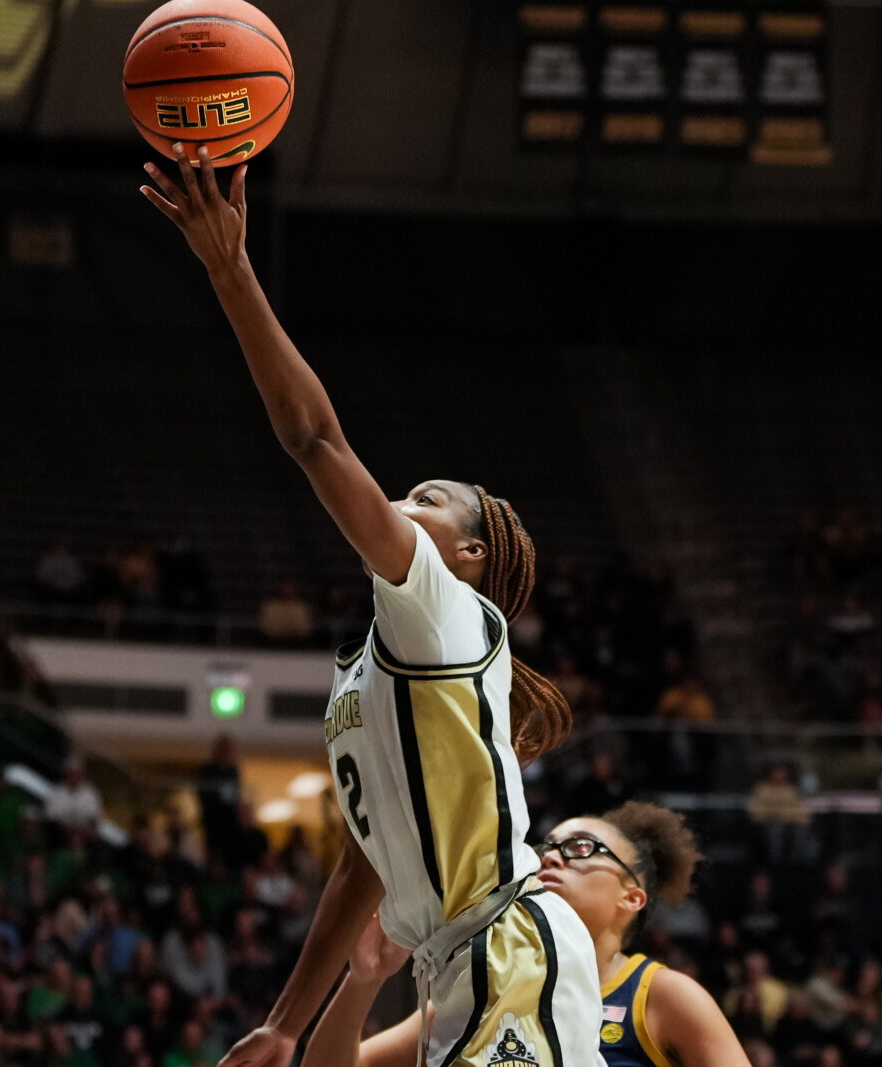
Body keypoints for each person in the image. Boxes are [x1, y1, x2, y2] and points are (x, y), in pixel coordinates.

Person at [142, 145, 593, 1067]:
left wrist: (230, 270)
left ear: (465, 556)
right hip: (457, 961)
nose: (400, 502)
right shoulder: (373, 671)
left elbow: (311, 436)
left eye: (426, 497)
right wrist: (284, 1021)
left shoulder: (441, 606)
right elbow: (361, 865)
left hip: (508, 942)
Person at [305, 801, 750, 1067]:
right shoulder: (487, 982)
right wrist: (363, 981)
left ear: (630, 898)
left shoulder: (664, 997)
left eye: (580, 849)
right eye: (545, 848)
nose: (551, 858)